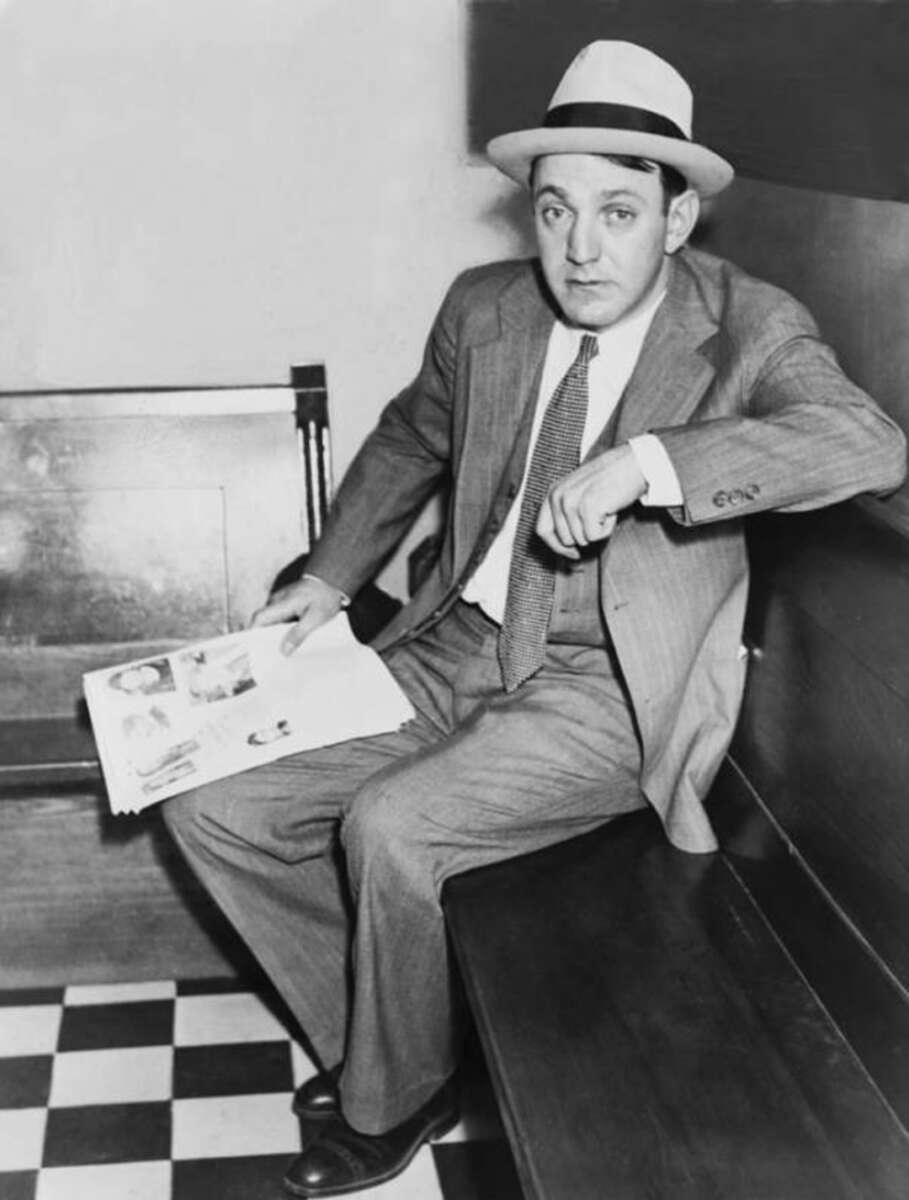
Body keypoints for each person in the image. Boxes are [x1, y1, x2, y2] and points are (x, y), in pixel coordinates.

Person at [163, 40, 907, 1198]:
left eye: (619, 211)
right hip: (453, 640)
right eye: (556, 210)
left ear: (677, 218)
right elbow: (413, 434)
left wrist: (654, 463)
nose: (580, 248)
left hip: (606, 683)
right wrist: (327, 573)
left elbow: (867, 441)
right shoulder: (486, 310)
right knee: (215, 807)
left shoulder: (750, 325)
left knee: (392, 830)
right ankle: (399, 1038)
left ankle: (392, 1098)